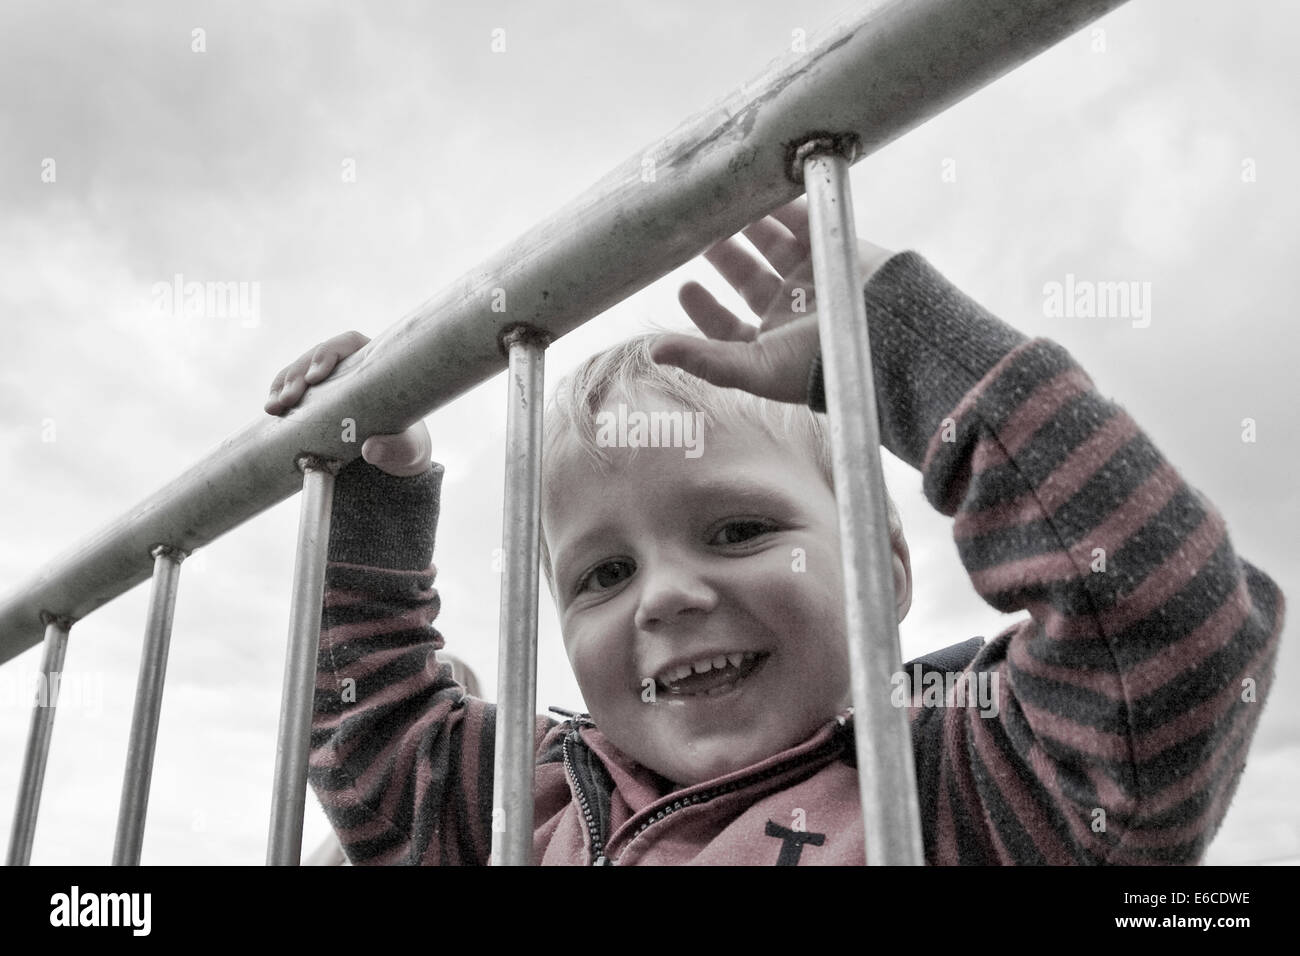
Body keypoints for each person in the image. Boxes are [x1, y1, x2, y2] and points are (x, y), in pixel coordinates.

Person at [265, 199, 1284, 865]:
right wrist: (372, 484)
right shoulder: (524, 799)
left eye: (740, 527)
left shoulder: (962, 780)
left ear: (882, 570)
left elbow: (1167, 634)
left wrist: (885, 342)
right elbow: (371, 736)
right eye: (603, 571)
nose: (663, 594)